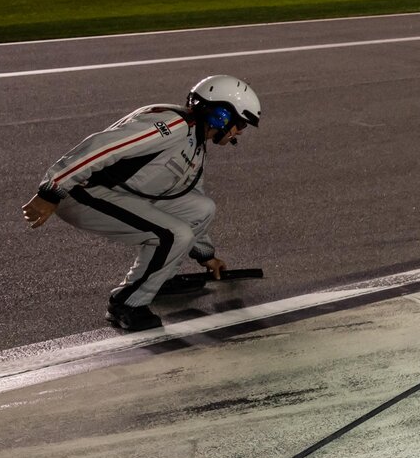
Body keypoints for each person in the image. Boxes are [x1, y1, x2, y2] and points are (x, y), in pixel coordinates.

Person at [24, 73, 262, 332]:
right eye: (240, 123)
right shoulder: (172, 124)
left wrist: (206, 256)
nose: (239, 132)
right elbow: (104, 146)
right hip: (82, 192)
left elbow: (188, 198)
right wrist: (51, 189)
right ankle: (125, 303)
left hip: (117, 194)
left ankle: (160, 277)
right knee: (174, 235)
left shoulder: (195, 144)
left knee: (202, 207)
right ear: (220, 115)